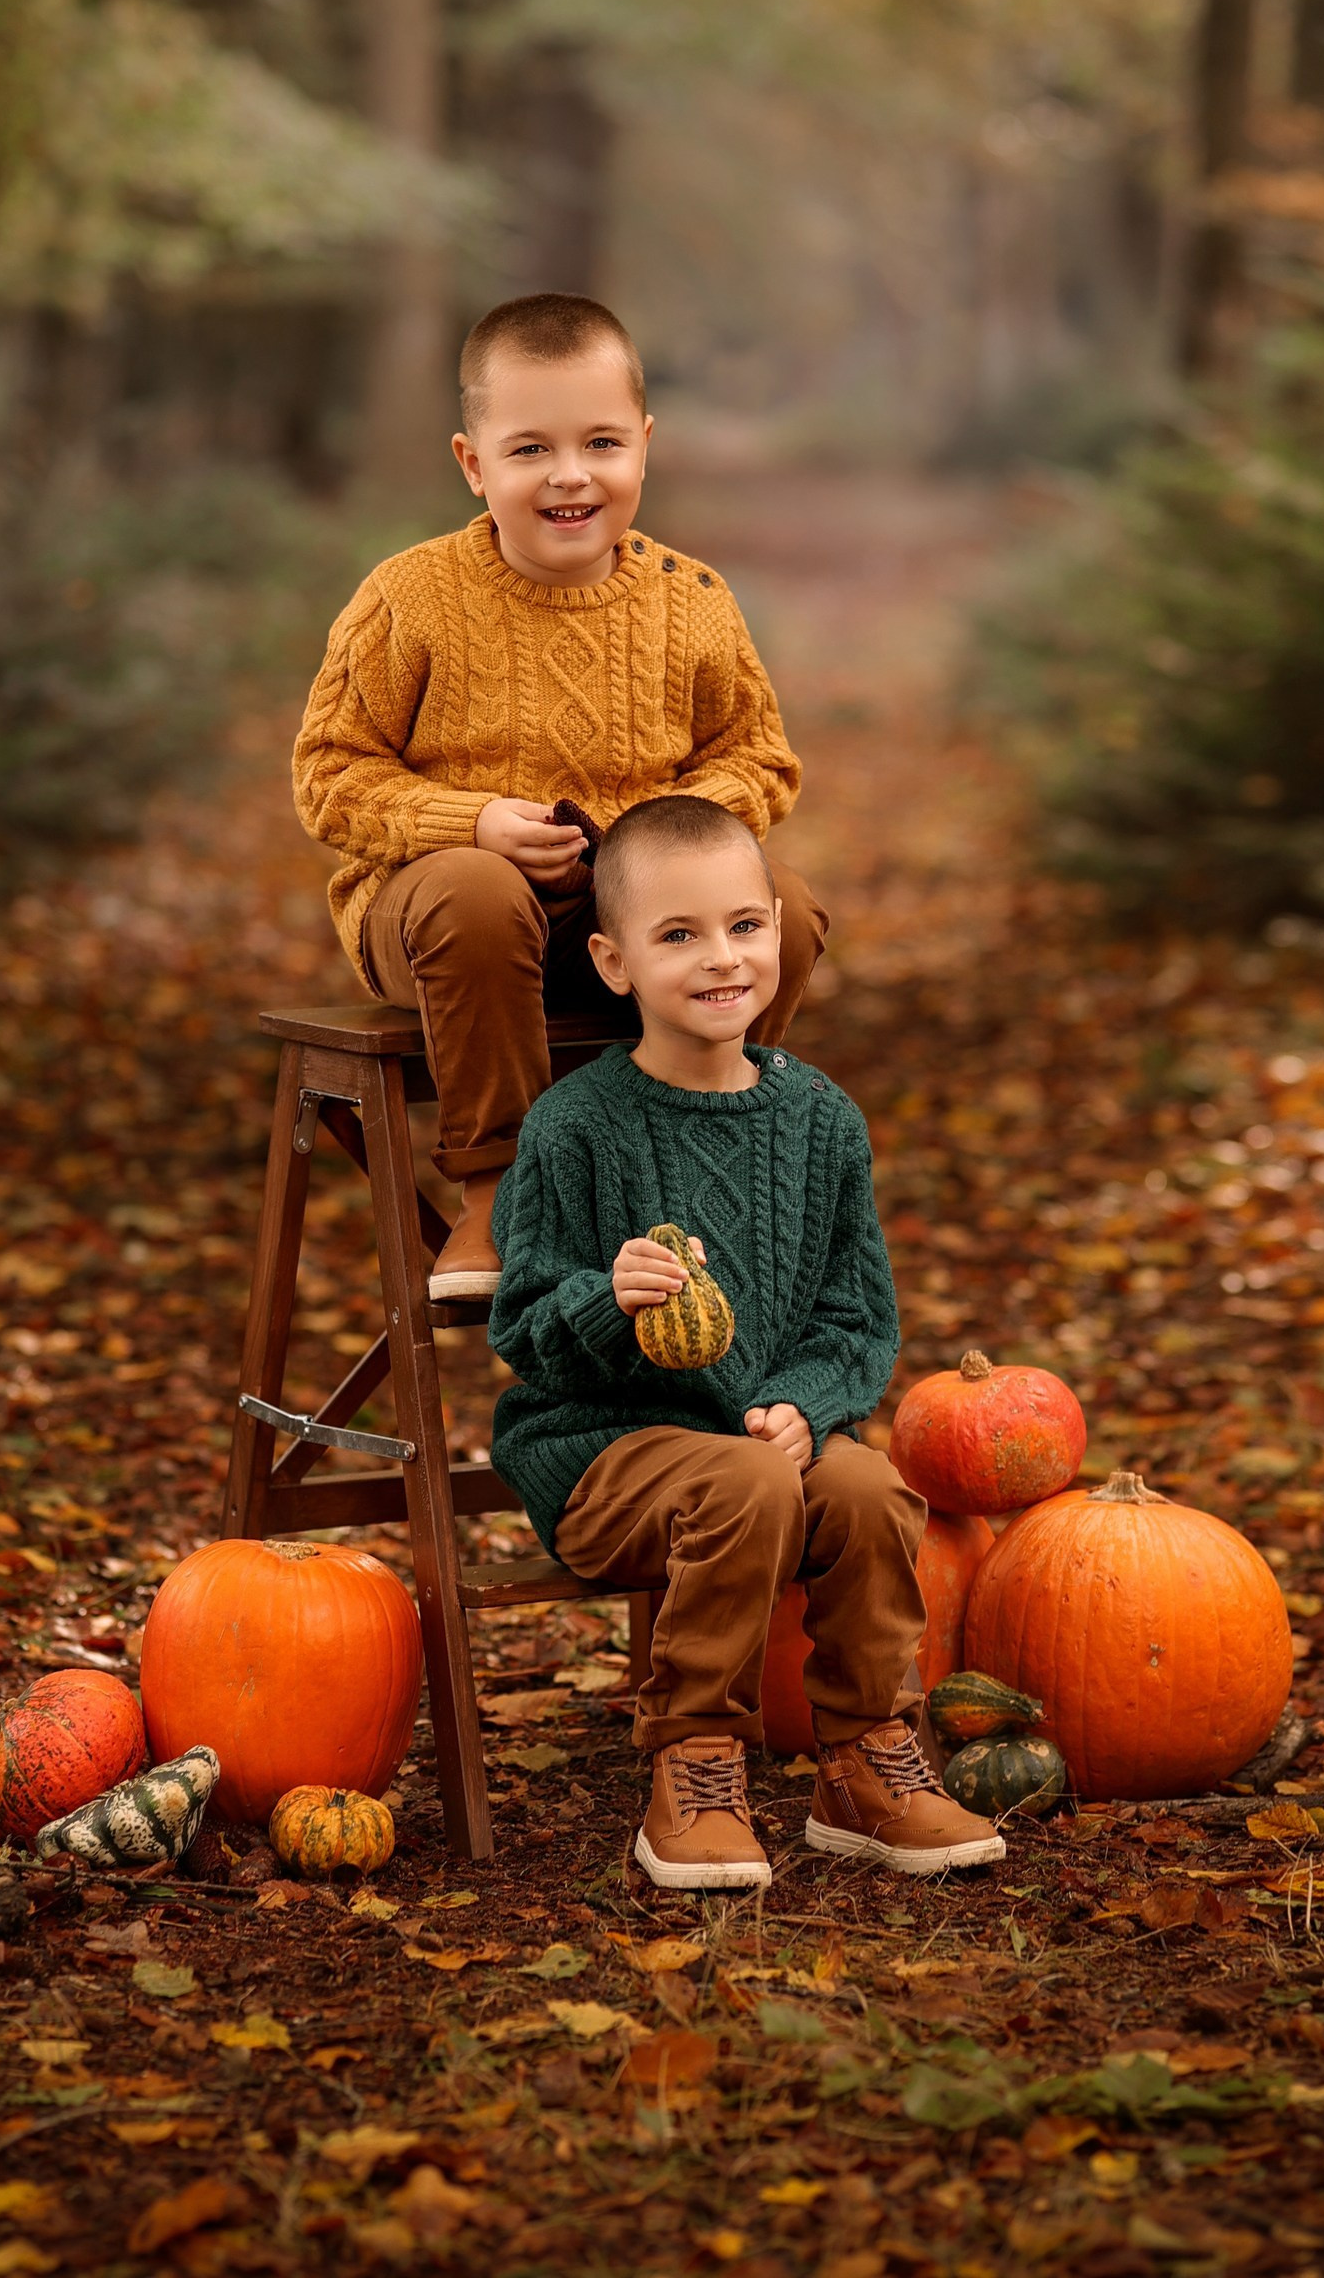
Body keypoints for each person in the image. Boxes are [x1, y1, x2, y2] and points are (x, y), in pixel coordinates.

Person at [487, 796, 1004, 1888]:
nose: (720, 958)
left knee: (866, 1489)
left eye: (743, 926)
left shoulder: (822, 1121)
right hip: (601, 1452)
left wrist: (804, 1407)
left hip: (764, 1449)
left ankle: (864, 1762)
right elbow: (522, 1330)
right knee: (741, 1485)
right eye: (678, 936)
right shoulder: (575, 1126)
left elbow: (855, 1319)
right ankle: (692, 1761)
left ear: (776, 926)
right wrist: (601, 1297)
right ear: (613, 961)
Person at [291, 292, 826, 1300]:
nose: (570, 474)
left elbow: (759, 760)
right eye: (530, 448)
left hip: (634, 924)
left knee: (783, 911)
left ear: (645, 446)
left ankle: (701, 1154)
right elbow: (329, 774)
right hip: (445, 922)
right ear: (472, 462)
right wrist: (475, 821)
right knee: (477, 893)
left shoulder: (693, 600)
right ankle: (501, 1196)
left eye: (601, 442)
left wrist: (659, 845)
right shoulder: (409, 599)